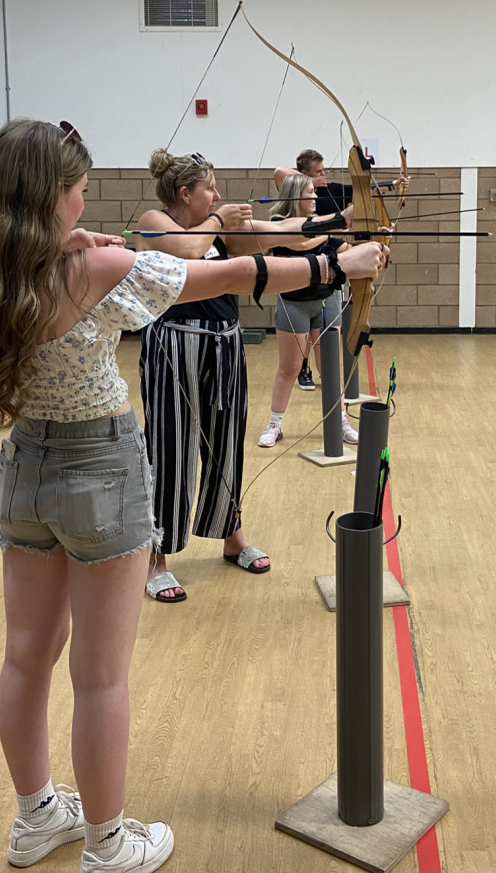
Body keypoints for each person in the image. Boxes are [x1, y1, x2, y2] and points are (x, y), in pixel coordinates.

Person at [0, 119, 386, 873]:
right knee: (100, 678)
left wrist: (73, 238)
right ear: (49, 197)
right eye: (75, 191)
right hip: (99, 468)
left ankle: (36, 815)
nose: (84, 201)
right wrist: (334, 261)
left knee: (25, 656)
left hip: (24, 469)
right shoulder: (101, 267)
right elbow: (233, 276)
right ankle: (107, 847)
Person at [136, 149, 385, 602]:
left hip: (224, 342)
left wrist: (345, 219)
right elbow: (187, 250)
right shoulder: (154, 222)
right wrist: (219, 221)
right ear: (184, 193)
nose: (216, 195)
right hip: (174, 343)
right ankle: (156, 554)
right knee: (171, 445)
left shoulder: (221, 230)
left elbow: (287, 232)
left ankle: (230, 533)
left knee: (227, 438)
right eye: (208, 188)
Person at [274, 149, 410, 388]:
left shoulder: (332, 190)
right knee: (298, 343)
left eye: (324, 171)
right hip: (299, 276)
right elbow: (279, 173)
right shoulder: (293, 201)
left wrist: (393, 185)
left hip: (329, 263)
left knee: (324, 344)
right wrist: (310, 184)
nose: (323, 177)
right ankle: (302, 372)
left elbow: (362, 191)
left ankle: (333, 396)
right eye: (317, 173)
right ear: (303, 175)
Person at [258, 173, 356, 448]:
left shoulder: (320, 224)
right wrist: (332, 227)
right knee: (289, 368)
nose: (315, 197)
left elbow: (345, 248)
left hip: (327, 301)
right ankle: (274, 425)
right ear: (294, 196)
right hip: (293, 304)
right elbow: (299, 242)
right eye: (309, 192)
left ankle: (341, 421)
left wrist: (373, 240)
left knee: (330, 368)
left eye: (315, 192)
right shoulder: (279, 224)